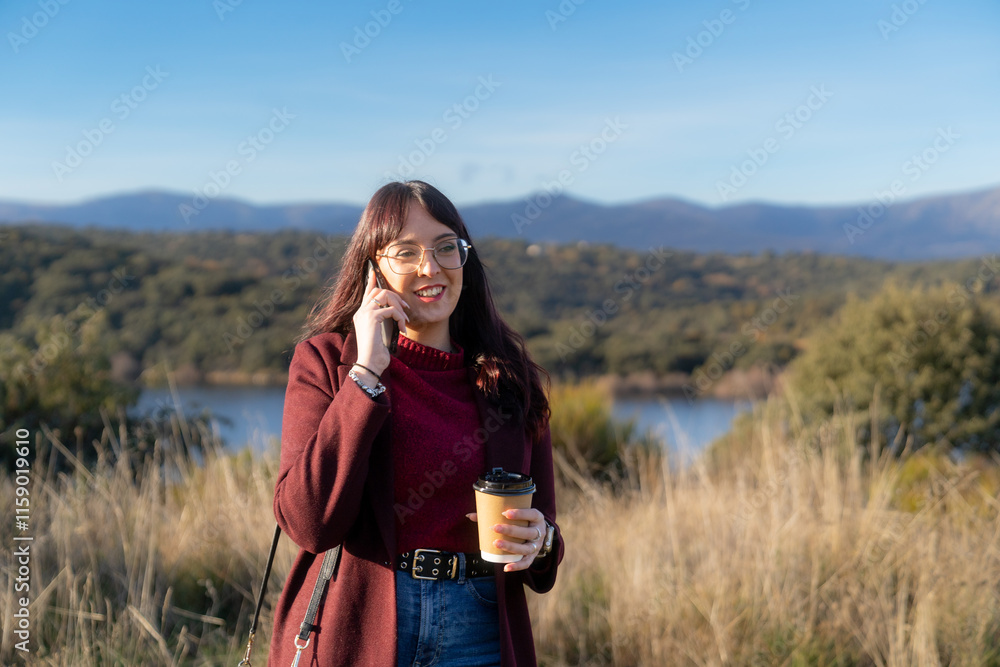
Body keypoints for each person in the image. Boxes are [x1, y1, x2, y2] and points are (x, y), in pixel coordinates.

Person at [269, 180, 563, 667]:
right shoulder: (325, 362)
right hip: (362, 624)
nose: (431, 268)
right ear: (372, 270)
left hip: (480, 627)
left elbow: (545, 538)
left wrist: (543, 540)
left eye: (446, 247)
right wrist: (365, 375)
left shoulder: (511, 379)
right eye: (405, 253)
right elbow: (308, 523)